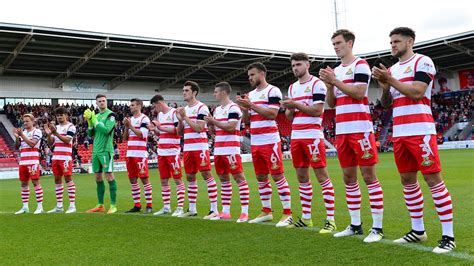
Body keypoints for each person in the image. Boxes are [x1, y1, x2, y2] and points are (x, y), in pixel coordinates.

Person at [373, 27, 455, 253]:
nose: (393, 45)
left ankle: (448, 236)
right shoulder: (392, 69)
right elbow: (387, 104)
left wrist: (390, 79)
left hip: (421, 131)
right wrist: (385, 87)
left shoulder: (423, 61)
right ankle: (417, 230)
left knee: (433, 181)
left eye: (397, 41)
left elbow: (418, 92)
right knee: (407, 181)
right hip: (399, 133)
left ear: (410, 41)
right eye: (391, 42)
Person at [320, 29, 384, 242]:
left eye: (338, 43)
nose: (336, 47)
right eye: (333, 44)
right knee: (348, 178)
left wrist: (335, 81)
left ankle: (377, 228)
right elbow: (331, 103)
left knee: (368, 176)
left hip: (361, 130)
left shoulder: (360, 65)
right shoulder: (336, 70)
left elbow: (358, 93)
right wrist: (330, 86)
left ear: (350, 43)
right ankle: (355, 224)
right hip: (342, 131)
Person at [281, 52, 336, 232]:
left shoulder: (316, 84)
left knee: (321, 176)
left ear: (307, 65)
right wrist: (288, 108)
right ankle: (306, 217)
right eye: (293, 66)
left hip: (312, 136)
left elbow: (317, 111)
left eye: (298, 64)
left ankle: (331, 219)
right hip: (296, 136)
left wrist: (295, 105)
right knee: (302, 177)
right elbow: (290, 117)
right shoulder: (292, 87)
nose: (295, 68)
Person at [236, 62, 293, 227]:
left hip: (270, 140)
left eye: (252, 75)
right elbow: (246, 121)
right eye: (249, 76)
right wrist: (245, 109)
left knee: (277, 176)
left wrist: (251, 105)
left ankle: (287, 213)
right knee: (261, 177)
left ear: (262, 74)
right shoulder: (250, 94)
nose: (250, 78)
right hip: (256, 141)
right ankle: (266, 211)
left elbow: (273, 114)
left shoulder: (272, 90)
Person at [204, 82, 250, 222]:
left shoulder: (233, 108)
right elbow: (215, 132)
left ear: (223, 92)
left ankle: (244, 212)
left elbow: (231, 127)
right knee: (224, 180)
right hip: (218, 150)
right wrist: (211, 125)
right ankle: (225, 211)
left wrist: (214, 121)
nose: (214, 94)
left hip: (231, 149)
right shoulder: (217, 110)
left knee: (239, 178)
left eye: (216, 92)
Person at [176, 81, 219, 219]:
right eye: (183, 90)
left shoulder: (202, 107)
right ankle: (192, 209)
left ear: (194, 92)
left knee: (206, 175)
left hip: (200, 147)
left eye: (187, 90)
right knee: (190, 177)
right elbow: (180, 133)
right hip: (188, 147)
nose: (184, 93)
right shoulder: (184, 109)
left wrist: (185, 117)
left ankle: (214, 209)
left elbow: (200, 128)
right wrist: (181, 120)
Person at [149, 94, 185, 217]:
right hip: (162, 151)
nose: (154, 109)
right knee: (163, 180)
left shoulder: (174, 113)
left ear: (159, 103)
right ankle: (166, 207)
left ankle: (180, 207)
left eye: (154, 106)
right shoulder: (160, 115)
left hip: (172, 151)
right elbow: (161, 133)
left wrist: (160, 127)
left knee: (177, 179)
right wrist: (154, 130)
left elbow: (177, 131)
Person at [84, 94, 118, 214]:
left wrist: (94, 120)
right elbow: (90, 134)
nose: (102, 103)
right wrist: (89, 122)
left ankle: (113, 205)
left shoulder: (111, 115)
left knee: (109, 176)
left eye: (104, 101)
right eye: (100, 101)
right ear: (96, 103)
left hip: (105, 150)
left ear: (106, 102)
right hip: (96, 151)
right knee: (98, 177)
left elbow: (106, 131)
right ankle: (100, 204)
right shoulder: (96, 115)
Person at [44, 107, 77, 214]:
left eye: (61, 115)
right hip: (56, 157)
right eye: (57, 115)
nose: (59, 117)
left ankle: (72, 205)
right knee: (57, 180)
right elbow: (51, 143)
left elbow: (68, 140)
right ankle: (59, 206)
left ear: (66, 116)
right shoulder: (56, 127)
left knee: (68, 179)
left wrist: (56, 133)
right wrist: (49, 134)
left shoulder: (71, 126)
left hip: (65, 158)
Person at [123, 98, 153, 214]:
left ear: (139, 106)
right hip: (130, 153)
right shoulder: (130, 120)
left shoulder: (144, 118)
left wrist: (130, 126)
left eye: (133, 105)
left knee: (144, 179)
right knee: (132, 180)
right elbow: (125, 138)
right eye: (130, 105)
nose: (130, 107)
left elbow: (142, 135)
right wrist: (126, 126)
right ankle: (137, 205)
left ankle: (149, 205)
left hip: (140, 154)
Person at [14, 114, 44, 214]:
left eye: (27, 121)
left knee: (35, 182)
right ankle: (25, 207)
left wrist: (22, 135)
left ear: (32, 121)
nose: (25, 123)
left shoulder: (37, 131)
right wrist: (17, 138)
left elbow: (32, 144)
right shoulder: (24, 132)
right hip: (23, 162)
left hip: (33, 161)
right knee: (23, 184)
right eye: (24, 121)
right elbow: (16, 147)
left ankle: (40, 207)